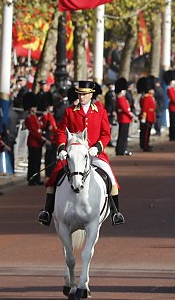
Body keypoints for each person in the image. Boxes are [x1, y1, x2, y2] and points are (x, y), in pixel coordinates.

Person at [38, 80, 125, 226]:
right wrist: (61, 148)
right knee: (53, 179)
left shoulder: (100, 111)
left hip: (95, 154)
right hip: (74, 154)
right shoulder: (70, 111)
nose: (81, 97)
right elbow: (61, 131)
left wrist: (97, 147)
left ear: (91, 95)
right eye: (80, 94)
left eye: (84, 94)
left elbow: (106, 134)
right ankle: (47, 211)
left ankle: (116, 213)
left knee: (112, 180)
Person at [24, 93, 45, 185]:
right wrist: (41, 139)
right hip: (33, 142)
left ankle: (37, 178)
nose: (35, 109)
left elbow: (39, 128)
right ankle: (32, 179)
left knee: (37, 162)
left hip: (38, 142)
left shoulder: (35, 117)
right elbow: (33, 131)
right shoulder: (29, 118)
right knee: (33, 162)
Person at [114, 77, 135, 156]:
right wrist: (131, 115)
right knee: (123, 135)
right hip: (124, 119)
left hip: (125, 118)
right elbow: (125, 109)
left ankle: (122, 149)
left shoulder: (122, 98)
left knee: (123, 135)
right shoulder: (120, 98)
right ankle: (121, 149)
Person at [138, 77, 156, 152]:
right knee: (145, 133)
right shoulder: (146, 97)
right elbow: (145, 109)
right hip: (147, 117)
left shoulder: (149, 97)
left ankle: (146, 144)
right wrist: (144, 118)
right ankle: (145, 146)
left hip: (150, 116)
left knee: (147, 132)